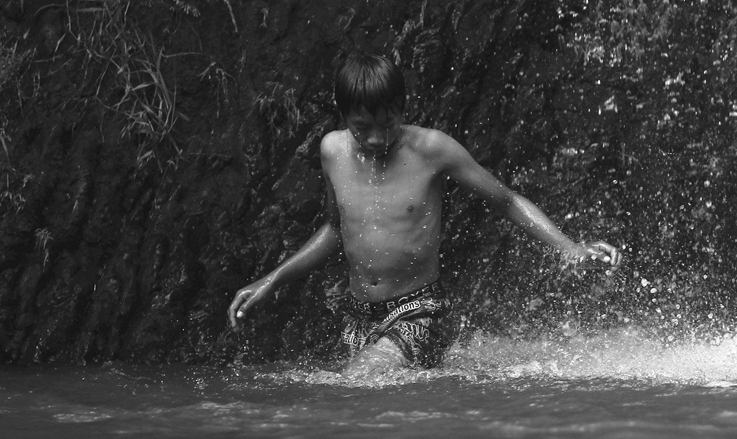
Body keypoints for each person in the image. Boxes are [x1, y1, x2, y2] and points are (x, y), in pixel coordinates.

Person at [228, 52, 618, 371]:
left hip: (419, 310)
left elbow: (507, 200)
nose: (377, 138)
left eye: (388, 123)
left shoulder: (433, 150)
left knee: (361, 382)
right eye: (363, 128)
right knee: (377, 407)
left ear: (402, 109)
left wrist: (569, 248)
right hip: (358, 315)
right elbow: (335, 228)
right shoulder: (331, 151)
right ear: (343, 116)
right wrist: (272, 279)